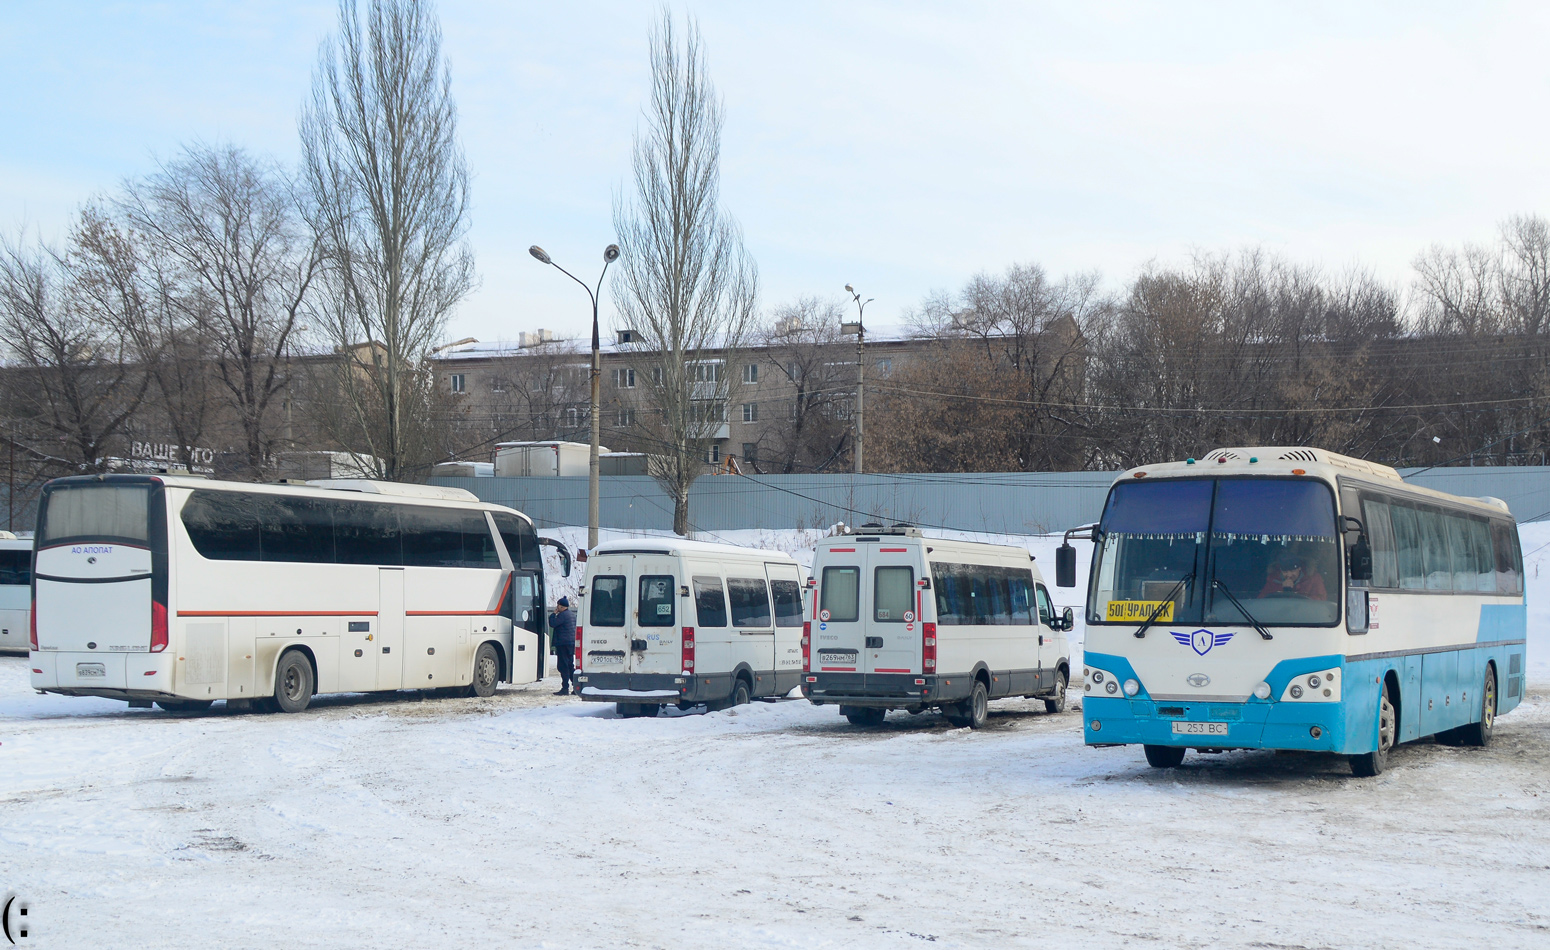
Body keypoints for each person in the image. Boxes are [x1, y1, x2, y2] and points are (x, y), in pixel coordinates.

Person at [1258, 551, 1328, 601]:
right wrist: (1284, 590)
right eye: (1285, 571)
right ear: (1280, 570)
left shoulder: (1313, 578)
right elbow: (1262, 600)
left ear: (1299, 568)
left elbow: (1321, 600)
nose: (1289, 575)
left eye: (1292, 571)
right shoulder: (1273, 579)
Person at [550, 596, 577, 696]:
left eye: (558, 605)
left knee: (563, 666)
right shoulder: (572, 615)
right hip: (571, 643)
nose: (557, 607)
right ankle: (576, 686)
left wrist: (553, 614)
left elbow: (552, 623)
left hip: (563, 643)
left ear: (561, 606)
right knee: (570, 665)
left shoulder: (562, 615)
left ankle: (565, 688)